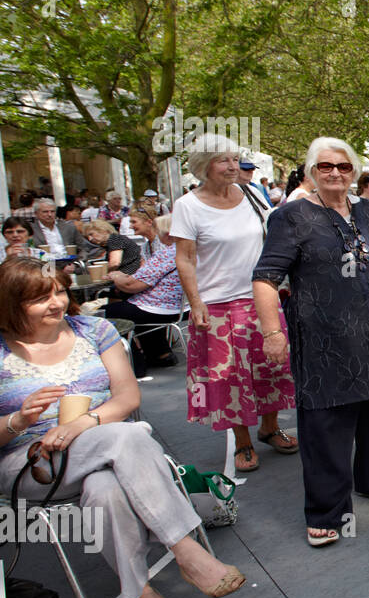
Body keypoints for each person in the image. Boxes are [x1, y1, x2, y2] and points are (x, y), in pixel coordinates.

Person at [0, 257, 245, 598]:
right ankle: (185, 548)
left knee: (106, 486)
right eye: (40, 297)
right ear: (11, 303)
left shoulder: (94, 330)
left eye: (60, 292)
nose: (57, 303)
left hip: (106, 443)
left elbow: (128, 396)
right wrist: (18, 421)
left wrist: (85, 422)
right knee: (130, 435)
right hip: (32, 463)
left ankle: (137, 592)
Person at [253, 137, 369, 547]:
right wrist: (272, 333)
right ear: (311, 172)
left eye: (343, 166)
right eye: (325, 167)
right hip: (325, 337)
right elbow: (265, 278)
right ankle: (327, 512)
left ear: (354, 171)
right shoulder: (291, 218)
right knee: (327, 422)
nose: (335, 173)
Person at [171, 133, 296, 473]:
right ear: (203, 167)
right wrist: (195, 302)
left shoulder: (251, 195)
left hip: (262, 297)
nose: (231, 165)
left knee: (271, 368)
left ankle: (270, 428)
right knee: (230, 379)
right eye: (222, 160)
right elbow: (184, 258)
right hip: (217, 304)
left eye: (234, 158)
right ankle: (242, 442)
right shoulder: (188, 206)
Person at [104, 214, 183, 369]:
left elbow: (131, 285)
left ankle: (136, 364)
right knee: (129, 305)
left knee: (104, 313)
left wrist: (116, 276)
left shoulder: (167, 253)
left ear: (167, 234)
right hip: (179, 305)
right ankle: (161, 355)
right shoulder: (189, 250)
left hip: (160, 307)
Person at [31, 198, 97, 260]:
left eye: (52, 211)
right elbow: (31, 251)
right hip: (46, 265)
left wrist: (77, 262)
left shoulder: (68, 227)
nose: (50, 214)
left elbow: (83, 248)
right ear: (36, 213)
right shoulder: (31, 230)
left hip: (71, 262)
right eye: (45, 212)